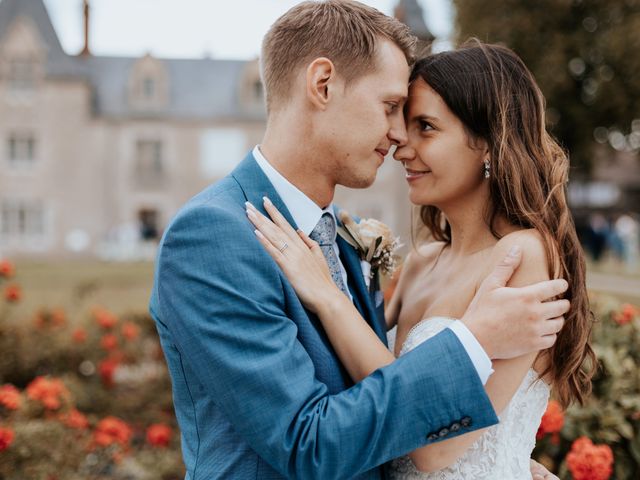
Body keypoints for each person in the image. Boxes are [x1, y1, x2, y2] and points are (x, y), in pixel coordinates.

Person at [149, 2, 568, 478]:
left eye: (418, 123)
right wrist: (476, 340)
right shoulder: (214, 235)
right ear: (322, 84)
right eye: (391, 108)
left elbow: (385, 404)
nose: (396, 137)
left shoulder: (343, 237)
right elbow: (309, 443)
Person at [247, 39, 595, 478]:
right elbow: (379, 392)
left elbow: (433, 447)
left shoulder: (522, 255)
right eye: (403, 124)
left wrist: (328, 297)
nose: (401, 146)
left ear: (488, 143)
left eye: (426, 128)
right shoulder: (422, 261)